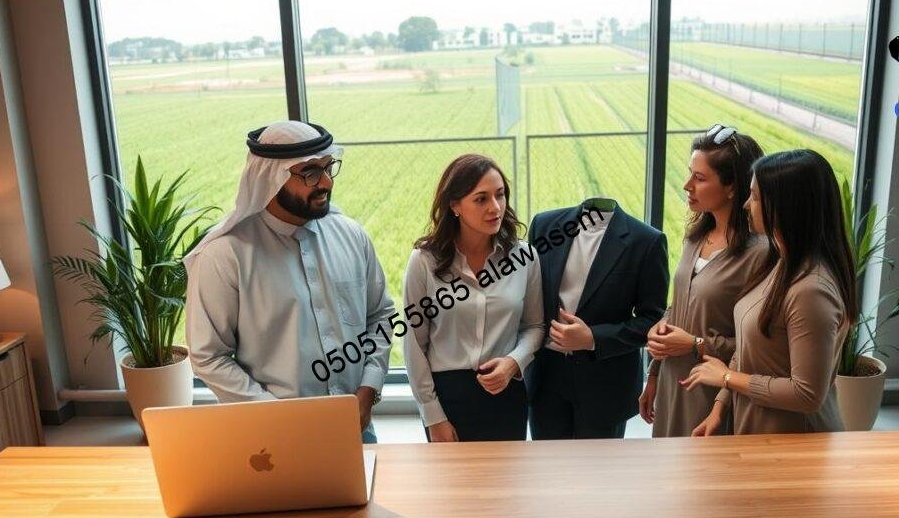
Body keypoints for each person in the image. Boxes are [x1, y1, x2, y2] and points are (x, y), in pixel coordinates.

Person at [185, 121, 395, 444]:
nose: (325, 182)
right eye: (310, 173)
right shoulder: (225, 256)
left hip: (356, 431)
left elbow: (380, 315)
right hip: (270, 438)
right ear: (272, 177)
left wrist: (369, 388)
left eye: (328, 168)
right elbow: (208, 355)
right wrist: (277, 417)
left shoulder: (351, 236)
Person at [683, 149, 858, 436]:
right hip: (759, 432)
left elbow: (807, 394)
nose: (744, 205)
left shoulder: (811, 290)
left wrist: (727, 378)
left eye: (753, 197)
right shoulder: (779, 263)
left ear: (783, 206)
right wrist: (719, 407)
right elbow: (749, 349)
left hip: (794, 443)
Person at [403, 154, 544, 442]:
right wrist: (433, 416)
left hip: (506, 393)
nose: (495, 208)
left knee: (507, 485)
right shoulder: (424, 261)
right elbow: (414, 343)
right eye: (481, 199)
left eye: (500, 195)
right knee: (451, 486)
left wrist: (514, 362)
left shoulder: (524, 257)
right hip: (447, 399)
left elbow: (534, 326)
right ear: (454, 205)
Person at [640, 124, 766, 437]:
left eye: (699, 178)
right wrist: (654, 373)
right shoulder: (694, 238)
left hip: (712, 393)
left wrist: (696, 344)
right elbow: (679, 306)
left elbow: (758, 347)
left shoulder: (759, 254)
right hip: (672, 383)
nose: (686, 185)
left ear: (733, 187)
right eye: (689, 174)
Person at [525, 197, 668, 439]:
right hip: (545, 379)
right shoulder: (545, 225)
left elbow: (652, 319)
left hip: (605, 384)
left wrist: (593, 338)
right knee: (546, 470)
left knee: (598, 473)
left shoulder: (646, 240)